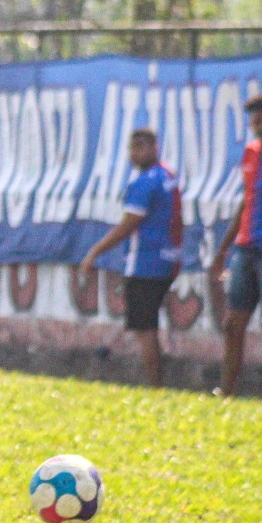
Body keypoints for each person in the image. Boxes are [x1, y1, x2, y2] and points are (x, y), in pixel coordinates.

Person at [78, 129, 182, 387]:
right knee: (148, 325)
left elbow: (128, 225)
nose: (135, 153)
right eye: (132, 148)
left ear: (155, 147)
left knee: (144, 328)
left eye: (141, 147)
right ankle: (156, 382)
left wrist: (95, 251)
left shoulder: (144, 183)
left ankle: (154, 386)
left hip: (145, 263)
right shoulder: (168, 176)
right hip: (167, 259)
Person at [211, 94, 262, 399]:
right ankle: (226, 391)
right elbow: (247, 202)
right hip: (245, 250)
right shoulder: (250, 154)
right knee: (233, 323)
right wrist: (223, 249)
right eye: (257, 121)